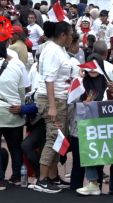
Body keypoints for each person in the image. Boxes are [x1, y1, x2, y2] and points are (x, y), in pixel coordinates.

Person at [34, 21, 73, 194]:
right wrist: (52, 106)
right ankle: (41, 179)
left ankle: (52, 176)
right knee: (53, 137)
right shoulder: (52, 51)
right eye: (70, 34)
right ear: (63, 35)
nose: (72, 37)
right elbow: (49, 79)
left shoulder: (59, 49)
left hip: (59, 98)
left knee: (59, 139)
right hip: (53, 100)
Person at [75, 54, 109, 196]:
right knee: (89, 150)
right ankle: (93, 182)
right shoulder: (82, 82)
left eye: (96, 66)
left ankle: (97, 183)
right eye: (90, 66)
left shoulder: (107, 82)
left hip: (103, 126)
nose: (92, 69)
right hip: (86, 125)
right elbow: (73, 99)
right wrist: (80, 80)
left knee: (100, 154)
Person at [0, 35, 25, 189]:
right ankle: (17, 177)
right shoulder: (17, 66)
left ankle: (0, 180)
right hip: (13, 112)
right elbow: (22, 92)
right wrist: (21, 106)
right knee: (15, 146)